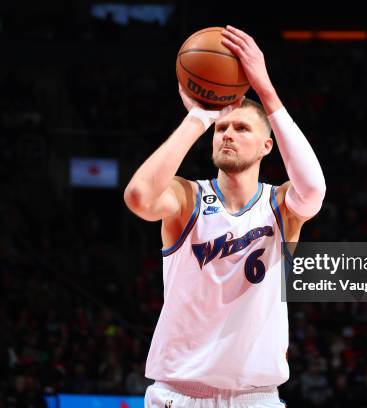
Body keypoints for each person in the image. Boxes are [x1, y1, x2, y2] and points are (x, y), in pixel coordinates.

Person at [124, 25, 326, 407]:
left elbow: (314, 190)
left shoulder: (281, 205)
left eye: (242, 127)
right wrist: (198, 118)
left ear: (268, 145)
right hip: (179, 395)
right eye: (222, 128)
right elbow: (138, 197)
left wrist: (265, 92)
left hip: (256, 398)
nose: (227, 134)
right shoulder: (187, 197)